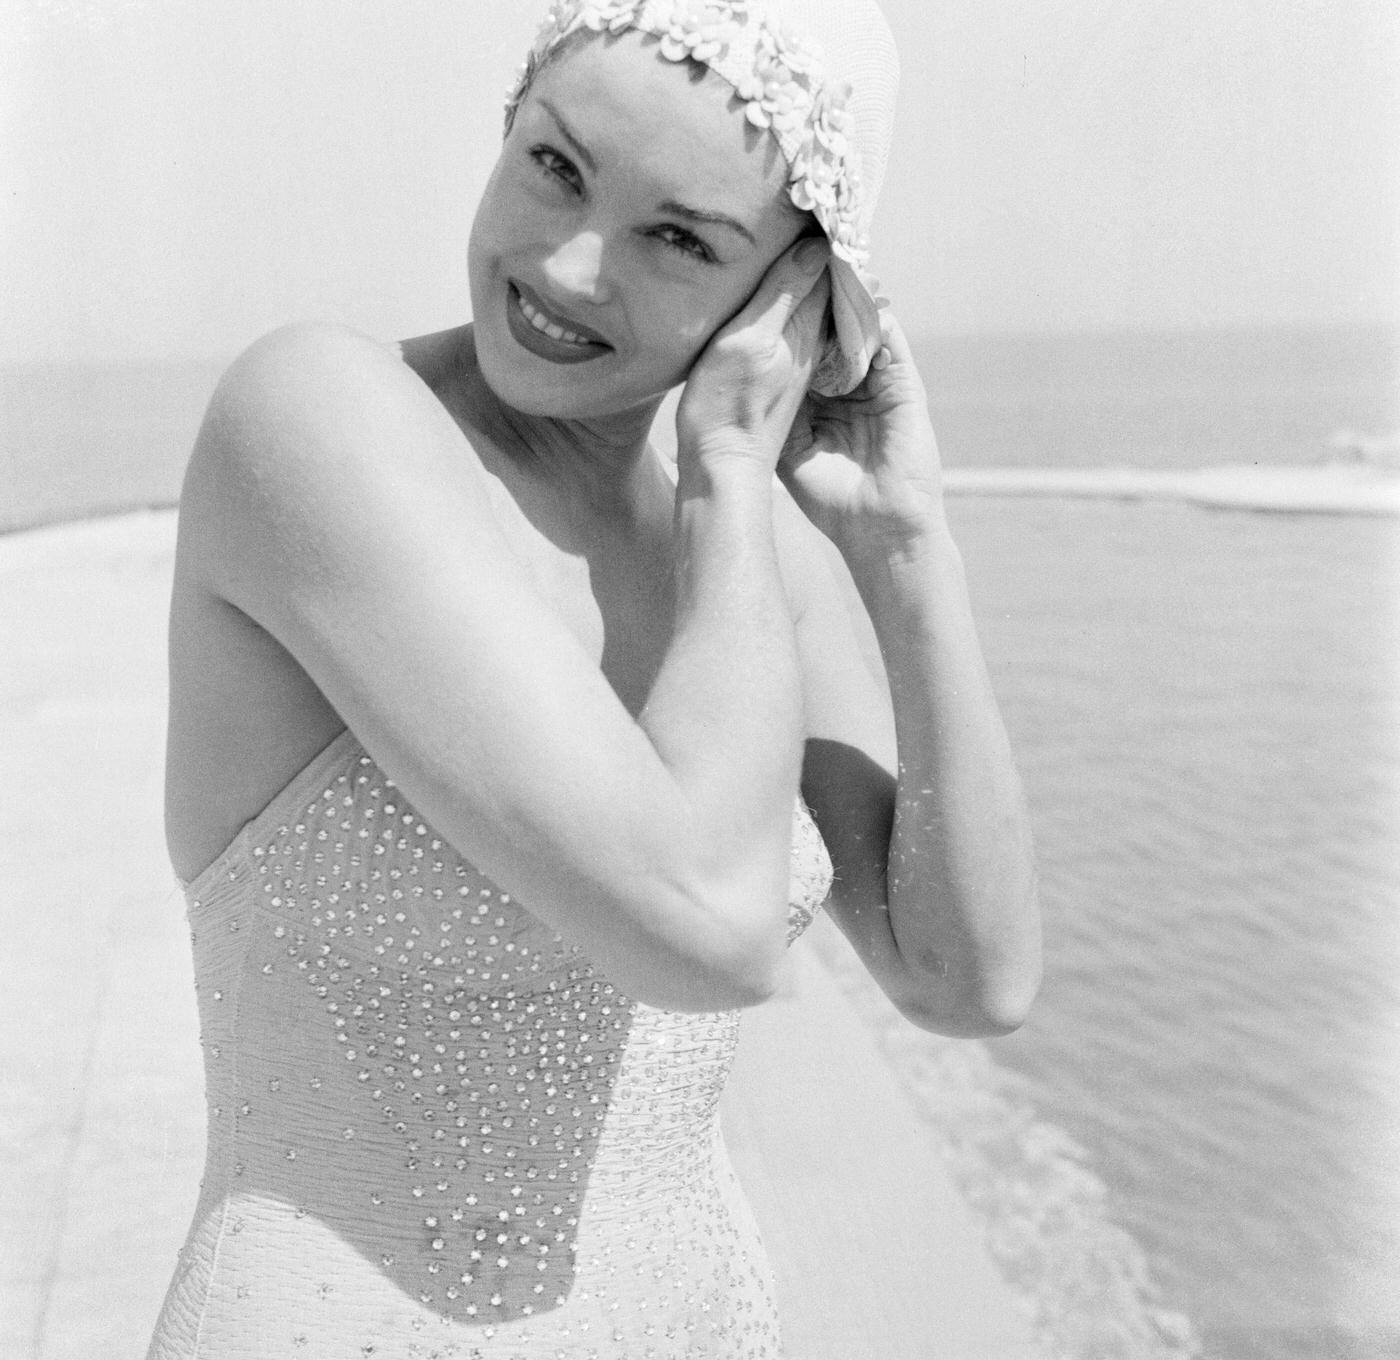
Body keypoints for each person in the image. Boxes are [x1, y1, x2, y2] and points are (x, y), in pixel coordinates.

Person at [148, 0, 1041, 1354]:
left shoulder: (741, 563)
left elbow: (969, 980)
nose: (569, 267)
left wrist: (906, 545)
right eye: (555, 165)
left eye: (680, 239)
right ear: (507, 125)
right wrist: (730, 473)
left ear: (790, 301)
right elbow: (708, 929)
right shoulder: (319, 422)